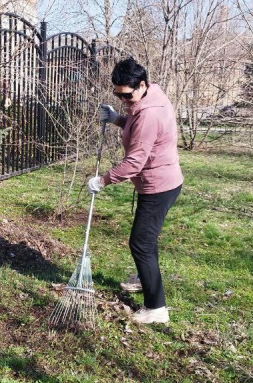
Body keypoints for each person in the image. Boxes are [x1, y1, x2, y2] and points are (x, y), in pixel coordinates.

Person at [88, 57, 184, 324]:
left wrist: (102, 181)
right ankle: (145, 277)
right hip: (163, 180)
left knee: (140, 243)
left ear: (142, 85)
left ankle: (156, 308)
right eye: (118, 96)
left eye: (127, 96)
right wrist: (118, 119)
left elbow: (134, 163)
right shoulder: (149, 97)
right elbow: (139, 129)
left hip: (158, 186)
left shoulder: (149, 112)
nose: (124, 101)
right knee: (146, 240)